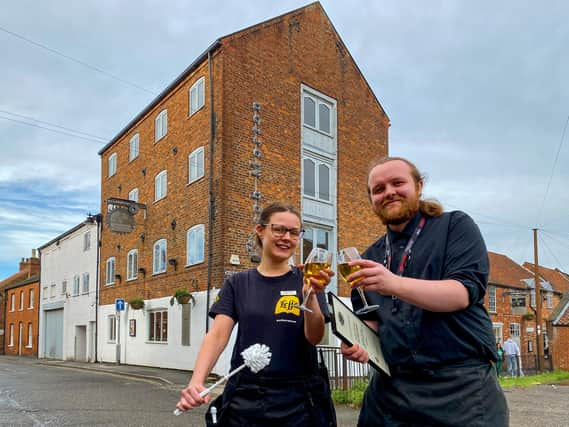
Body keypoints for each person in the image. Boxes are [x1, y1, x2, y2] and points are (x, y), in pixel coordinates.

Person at [340, 157, 508, 426]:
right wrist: (355, 342)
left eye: (398, 183)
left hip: (459, 388)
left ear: (418, 186)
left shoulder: (455, 226)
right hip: (390, 391)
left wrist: (392, 282)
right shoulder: (371, 254)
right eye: (379, 189)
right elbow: (371, 319)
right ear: (371, 199)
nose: (389, 192)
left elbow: (461, 293)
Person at [176, 202, 336, 427]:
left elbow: (315, 337)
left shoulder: (308, 280)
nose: (287, 237)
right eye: (279, 229)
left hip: (299, 398)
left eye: (294, 232)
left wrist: (309, 296)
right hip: (245, 397)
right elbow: (217, 335)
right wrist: (197, 381)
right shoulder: (237, 283)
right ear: (261, 231)